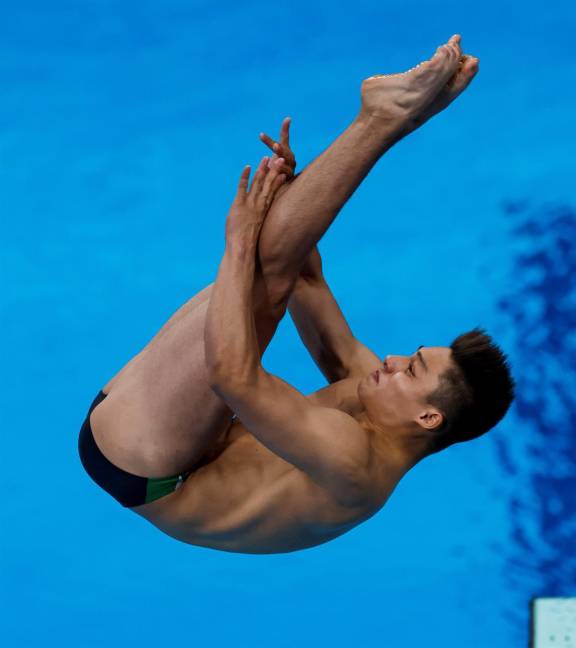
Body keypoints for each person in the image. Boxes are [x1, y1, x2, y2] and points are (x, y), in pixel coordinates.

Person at [77, 35, 515, 554]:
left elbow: (232, 375)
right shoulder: (370, 396)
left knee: (260, 268)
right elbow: (308, 277)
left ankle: (383, 119)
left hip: (147, 463)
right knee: (277, 272)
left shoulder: (354, 465)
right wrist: (296, 186)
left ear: (428, 418)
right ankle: (394, 120)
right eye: (411, 356)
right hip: (187, 433)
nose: (394, 359)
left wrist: (238, 241)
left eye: (412, 370)